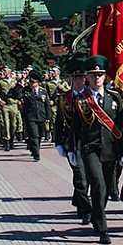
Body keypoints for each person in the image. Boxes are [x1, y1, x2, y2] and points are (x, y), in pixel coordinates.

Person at [69, 55, 123, 245]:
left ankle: (96, 215)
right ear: (88, 77)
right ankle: (103, 230)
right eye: (93, 75)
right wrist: (71, 149)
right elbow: (75, 127)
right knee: (97, 185)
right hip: (90, 149)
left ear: (105, 77)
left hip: (110, 149)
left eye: (100, 75)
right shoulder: (81, 100)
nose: (97, 79)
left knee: (107, 189)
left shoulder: (114, 98)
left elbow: (121, 128)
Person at [53, 57, 91, 225]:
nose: (79, 81)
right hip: (72, 144)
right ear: (70, 79)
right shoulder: (64, 98)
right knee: (80, 178)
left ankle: (78, 201)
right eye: (75, 78)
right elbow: (59, 122)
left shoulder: (91, 97)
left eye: (82, 77)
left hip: (90, 143)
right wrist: (59, 143)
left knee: (89, 178)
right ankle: (86, 211)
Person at [21, 69, 51, 162]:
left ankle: (35, 149)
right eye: (30, 82)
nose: (32, 84)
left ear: (38, 83)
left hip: (41, 116)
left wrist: (48, 116)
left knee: (40, 136)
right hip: (30, 116)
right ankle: (36, 153)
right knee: (34, 135)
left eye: (34, 82)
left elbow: (47, 104)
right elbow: (18, 94)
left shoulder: (43, 91)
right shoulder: (26, 91)